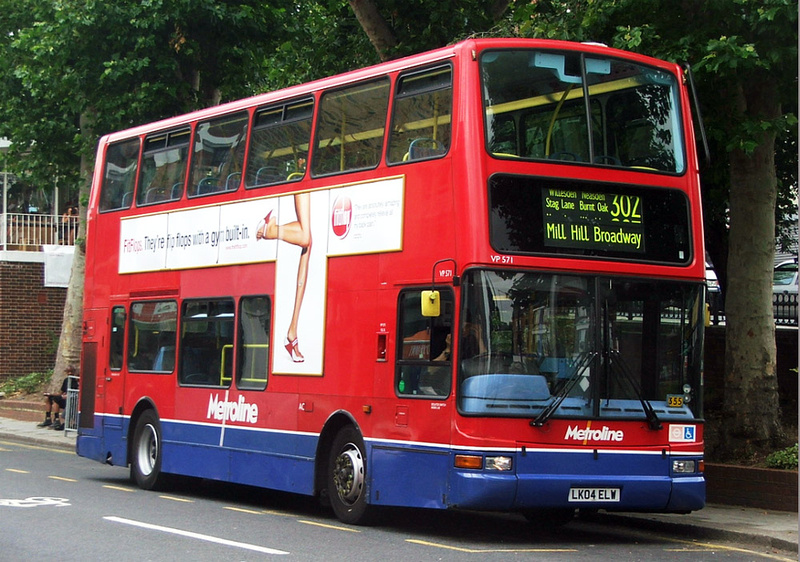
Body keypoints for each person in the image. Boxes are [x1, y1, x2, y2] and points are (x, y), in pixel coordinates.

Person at [256, 189, 311, 363]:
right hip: (306, 179)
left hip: (307, 179)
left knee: (307, 242)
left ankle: (293, 328)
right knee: (306, 238)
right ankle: (271, 231)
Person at [37, 366, 78, 431]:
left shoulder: (76, 380)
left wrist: (67, 395)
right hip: (64, 397)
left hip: (71, 400)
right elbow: (61, 392)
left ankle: (57, 419)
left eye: (71, 371)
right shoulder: (66, 380)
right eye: (68, 372)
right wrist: (50, 394)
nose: (70, 373)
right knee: (48, 398)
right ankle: (48, 418)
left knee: (56, 399)